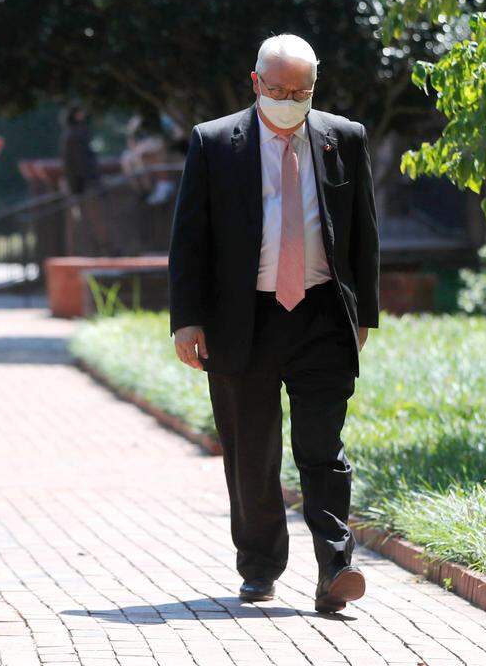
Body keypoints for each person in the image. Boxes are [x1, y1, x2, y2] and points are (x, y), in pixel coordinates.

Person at [167, 34, 380, 613]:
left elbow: (362, 233)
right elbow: (189, 239)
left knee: (323, 449)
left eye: (302, 91)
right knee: (251, 452)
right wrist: (187, 321)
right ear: (255, 82)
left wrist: (366, 316)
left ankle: (336, 570)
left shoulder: (344, 138)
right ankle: (260, 567)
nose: (290, 99)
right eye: (280, 89)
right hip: (244, 319)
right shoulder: (215, 144)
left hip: (321, 315)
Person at [59, 105, 99, 195]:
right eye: (79, 113)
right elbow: (79, 160)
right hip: (80, 181)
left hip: (81, 179)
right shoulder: (74, 134)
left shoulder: (74, 132)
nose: (82, 114)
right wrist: (91, 177)